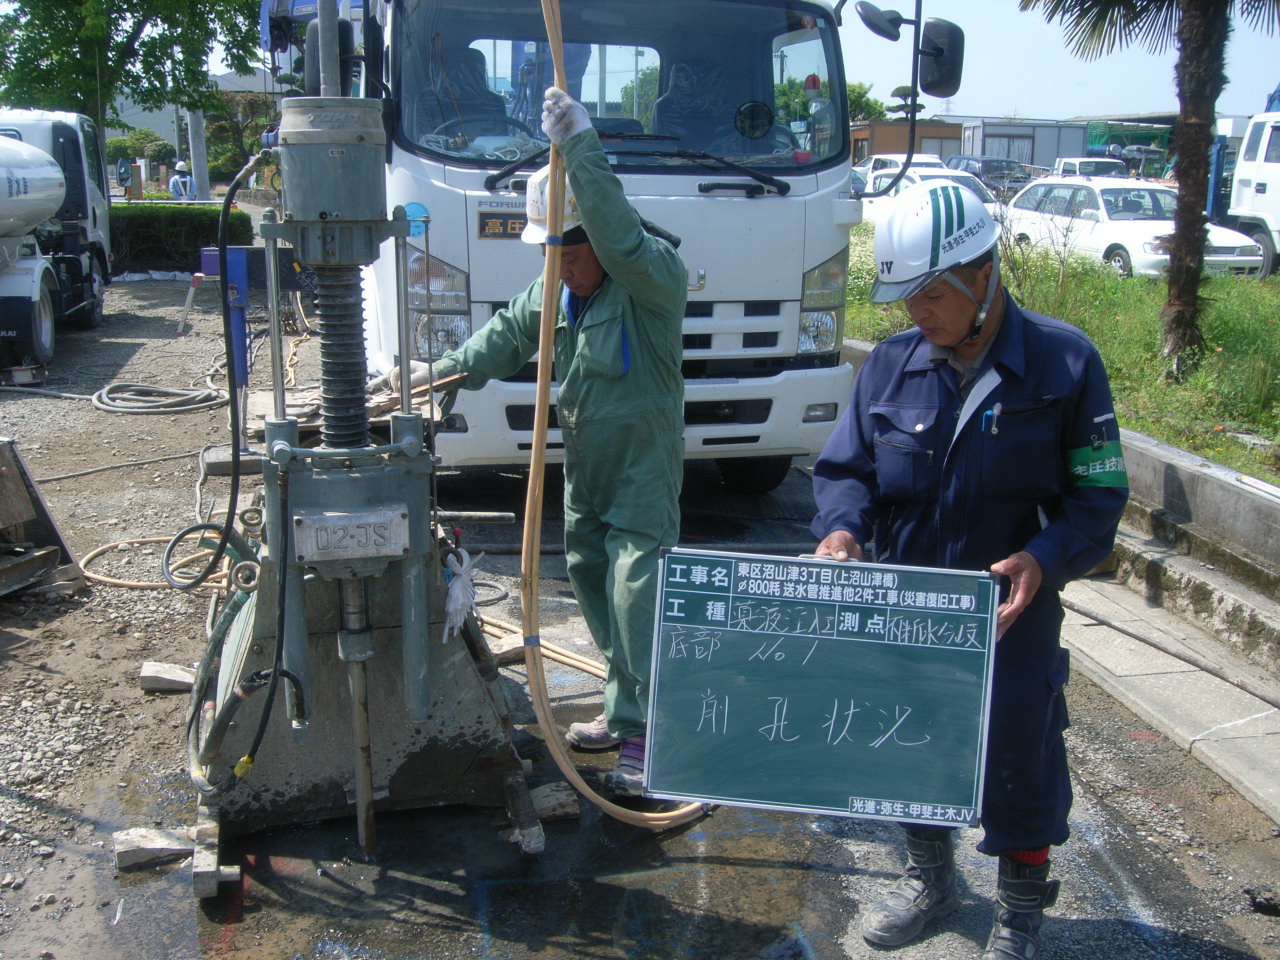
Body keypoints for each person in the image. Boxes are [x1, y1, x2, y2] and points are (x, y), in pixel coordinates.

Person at [810, 180, 1128, 960]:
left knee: (1022, 760)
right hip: (910, 614)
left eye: (928, 292)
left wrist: (1045, 560)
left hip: (1010, 622)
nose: (914, 311)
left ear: (982, 274)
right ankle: (932, 881)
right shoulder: (889, 368)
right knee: (910, 750)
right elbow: (845, 470)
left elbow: (1099, 496)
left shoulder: (1064, 363)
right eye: (904, 295)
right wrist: (842, 530)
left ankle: (1020, 914)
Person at [429, 88, 687, 796]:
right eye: (554, 254)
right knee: (591, 578)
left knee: (639, 594)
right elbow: (507, 334)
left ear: (599, 239)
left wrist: (581, 144)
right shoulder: (559, 290)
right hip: (590, 472)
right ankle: (622, 704)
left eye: (572, 252)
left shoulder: (650, 282)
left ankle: (647, 728)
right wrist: (438, 376)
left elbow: (621, 234)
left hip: (641, 470)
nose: (562, 267)